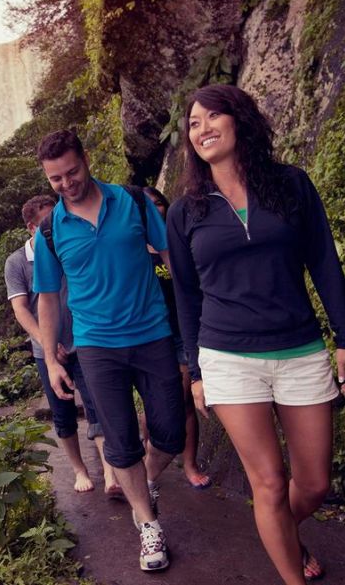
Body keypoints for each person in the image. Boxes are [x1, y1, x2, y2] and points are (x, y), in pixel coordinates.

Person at [166, 84, 345, 585]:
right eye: (193, 122)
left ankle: (278, 530)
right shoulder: (186, 210)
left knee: (313, 484)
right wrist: (196, 370)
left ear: (240, 121)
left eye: (213, 116)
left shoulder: (291, 185)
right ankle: (289, 568)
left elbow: (324, 262)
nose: (202, 128)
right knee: (270, 483)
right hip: (229, 358)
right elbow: (186, 294)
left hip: (300, 350)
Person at [32, 130, 186, 572]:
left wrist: (196, 313)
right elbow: (46, 296)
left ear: (87, 159)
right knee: (119, 443)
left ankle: (147, 484)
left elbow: (171, 255)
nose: (66, 184)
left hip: (152, 332)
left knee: (171, 433)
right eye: (56, 179)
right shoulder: (50, 230)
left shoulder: (133, 202)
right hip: (96, 346)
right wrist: (52, 357)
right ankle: (148, 522)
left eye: (73, 172)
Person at [4, 194, 120, 495]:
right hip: (47, 352)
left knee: (98, 405)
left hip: (84, 341)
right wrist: (47, 341)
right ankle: (80, 470)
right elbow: (21, 311)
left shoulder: (69, 247)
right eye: (47, 221)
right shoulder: (16, 263)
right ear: (32, 227)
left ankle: (110, 474)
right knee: (63, 413)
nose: (55, 226)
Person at [143, 186, 212, 490]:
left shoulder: (177, 243)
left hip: (183, 333)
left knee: (183, 400)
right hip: (153, 337)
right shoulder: (132, 250)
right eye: (147, 205)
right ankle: (150, 456)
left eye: (158, 202)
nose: (154, 208)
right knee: (157, 404)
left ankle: (190, 464)